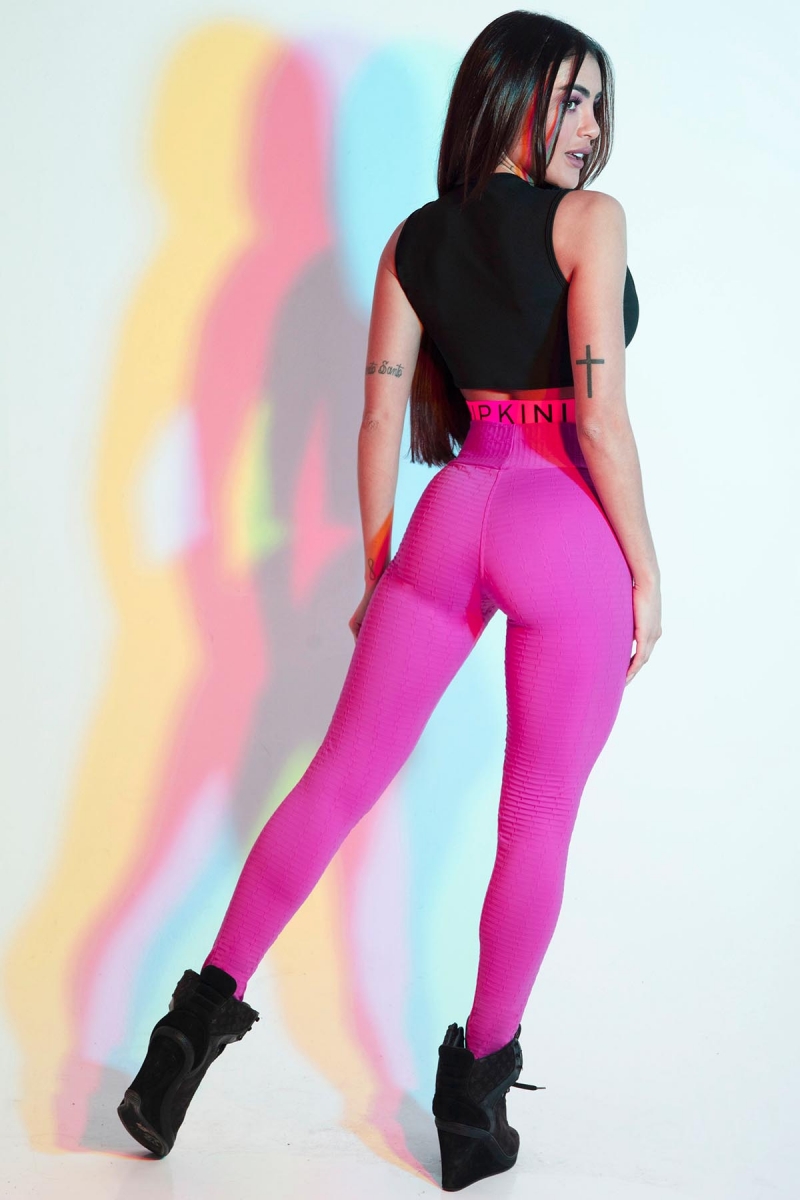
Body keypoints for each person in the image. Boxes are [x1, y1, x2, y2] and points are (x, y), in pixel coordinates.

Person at [118, 10, 662, 1190]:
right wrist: (646, 571)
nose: (587, 125)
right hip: (564, 523)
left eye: (596, 103)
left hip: (450, 516)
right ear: (506, 95)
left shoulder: (414, 240)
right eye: (567, 97)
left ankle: (185, 1036)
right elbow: (600, 419)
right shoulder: (590, 223)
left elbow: (378, 417)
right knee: (536, 821)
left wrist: (382, 573)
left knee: (331, 782)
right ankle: (472, 1103)